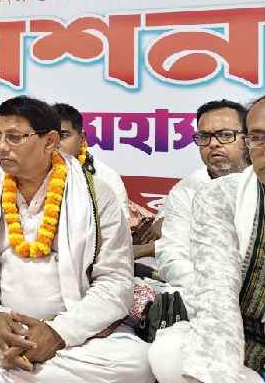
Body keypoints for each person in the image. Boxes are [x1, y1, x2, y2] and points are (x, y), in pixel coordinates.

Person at [0, 96, 151, 383]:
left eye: (14, 138)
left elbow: (115, 283)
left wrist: (59, 333)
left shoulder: (98, 195)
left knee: (136, 364)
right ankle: (31, 369)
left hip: (74, 329)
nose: (0, 148)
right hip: (2, 326)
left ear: (49, 141)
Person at [148, 95, 265, 383]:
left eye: (225, 135)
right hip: (221, 311)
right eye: (259, 138)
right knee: (169, 357)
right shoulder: (209, 194)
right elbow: (182, 263)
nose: (213, 144)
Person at [154, 99, 250, 290]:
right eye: (205, 136)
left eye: (225, 135)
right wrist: (214, 292)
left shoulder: (259, 180)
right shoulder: (187, 190)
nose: (213, 144)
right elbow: (172, 256)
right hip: (202, 291)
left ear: (247, 139)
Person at [52, 103, 130, 220]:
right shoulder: (29, 174)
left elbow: (120, 228)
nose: (56, 143)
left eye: (63, 136)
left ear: (82, 138)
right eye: (50, 137)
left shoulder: (106, 177)